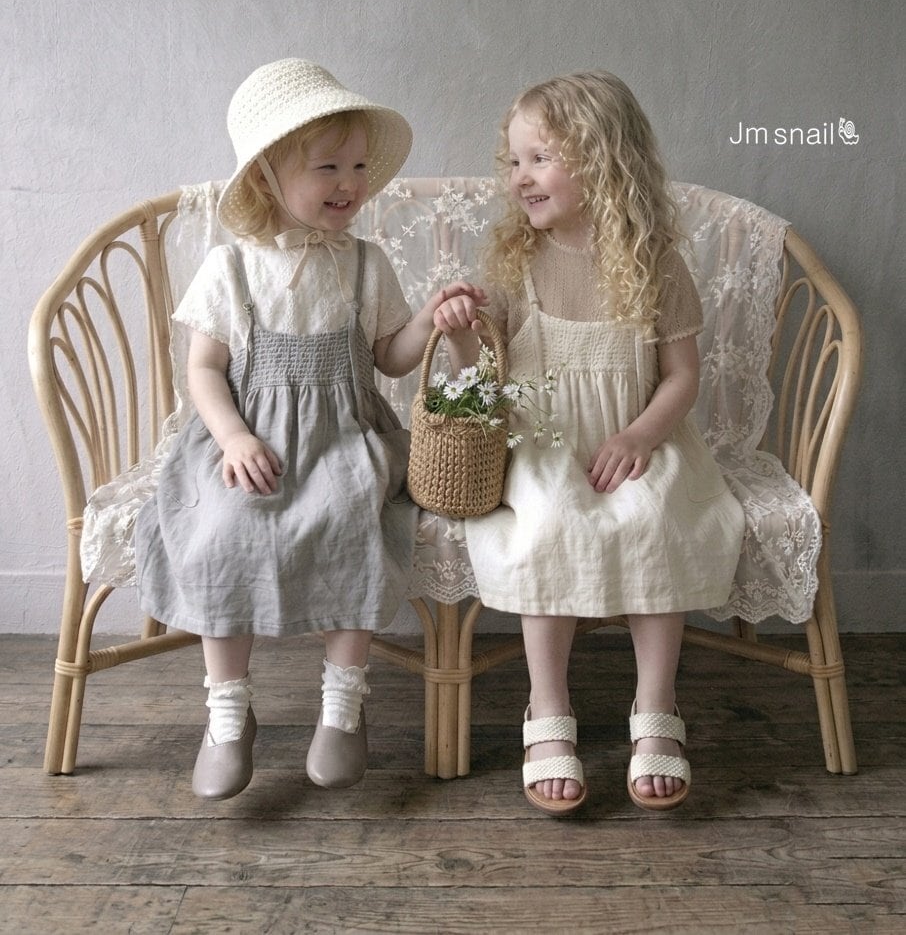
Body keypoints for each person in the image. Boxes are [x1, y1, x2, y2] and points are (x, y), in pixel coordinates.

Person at [135, 58, 484, 800]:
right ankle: (228, 710)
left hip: (343, 437)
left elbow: (388, 357)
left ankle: (342, 702)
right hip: (250, 443)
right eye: (328, 167)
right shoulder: (232, 267)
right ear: (267, 175)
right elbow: (203, 370)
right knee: (221, 531)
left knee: (353, 519)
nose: (349, 183)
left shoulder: (364, 264)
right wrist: (233, 437)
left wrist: (431, 318)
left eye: (357, 167)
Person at [434, 70, 745, 815]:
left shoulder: (654, 263)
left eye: (540, 158)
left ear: (604, 160)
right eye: (514, 161)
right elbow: (486, 374)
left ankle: (656, 705)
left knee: (657, 520)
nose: (520, 176)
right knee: (548, 523)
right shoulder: (517, 263)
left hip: (634, 439)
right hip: (543, 443)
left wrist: (641, 433)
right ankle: (547, 707)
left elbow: (681, 376)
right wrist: (459, 336)